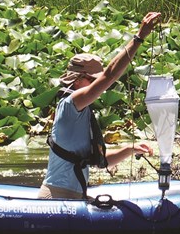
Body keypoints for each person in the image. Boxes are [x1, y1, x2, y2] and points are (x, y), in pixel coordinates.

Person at [38, 12, 161, 200]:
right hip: (57, 198)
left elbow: (98, 161)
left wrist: (130, 149)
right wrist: (139, 38)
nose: (98, 87)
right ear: (78, 79)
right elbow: (110, 75)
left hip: (75, 197)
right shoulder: (72, 103)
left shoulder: (81, 110)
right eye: (92, 80)